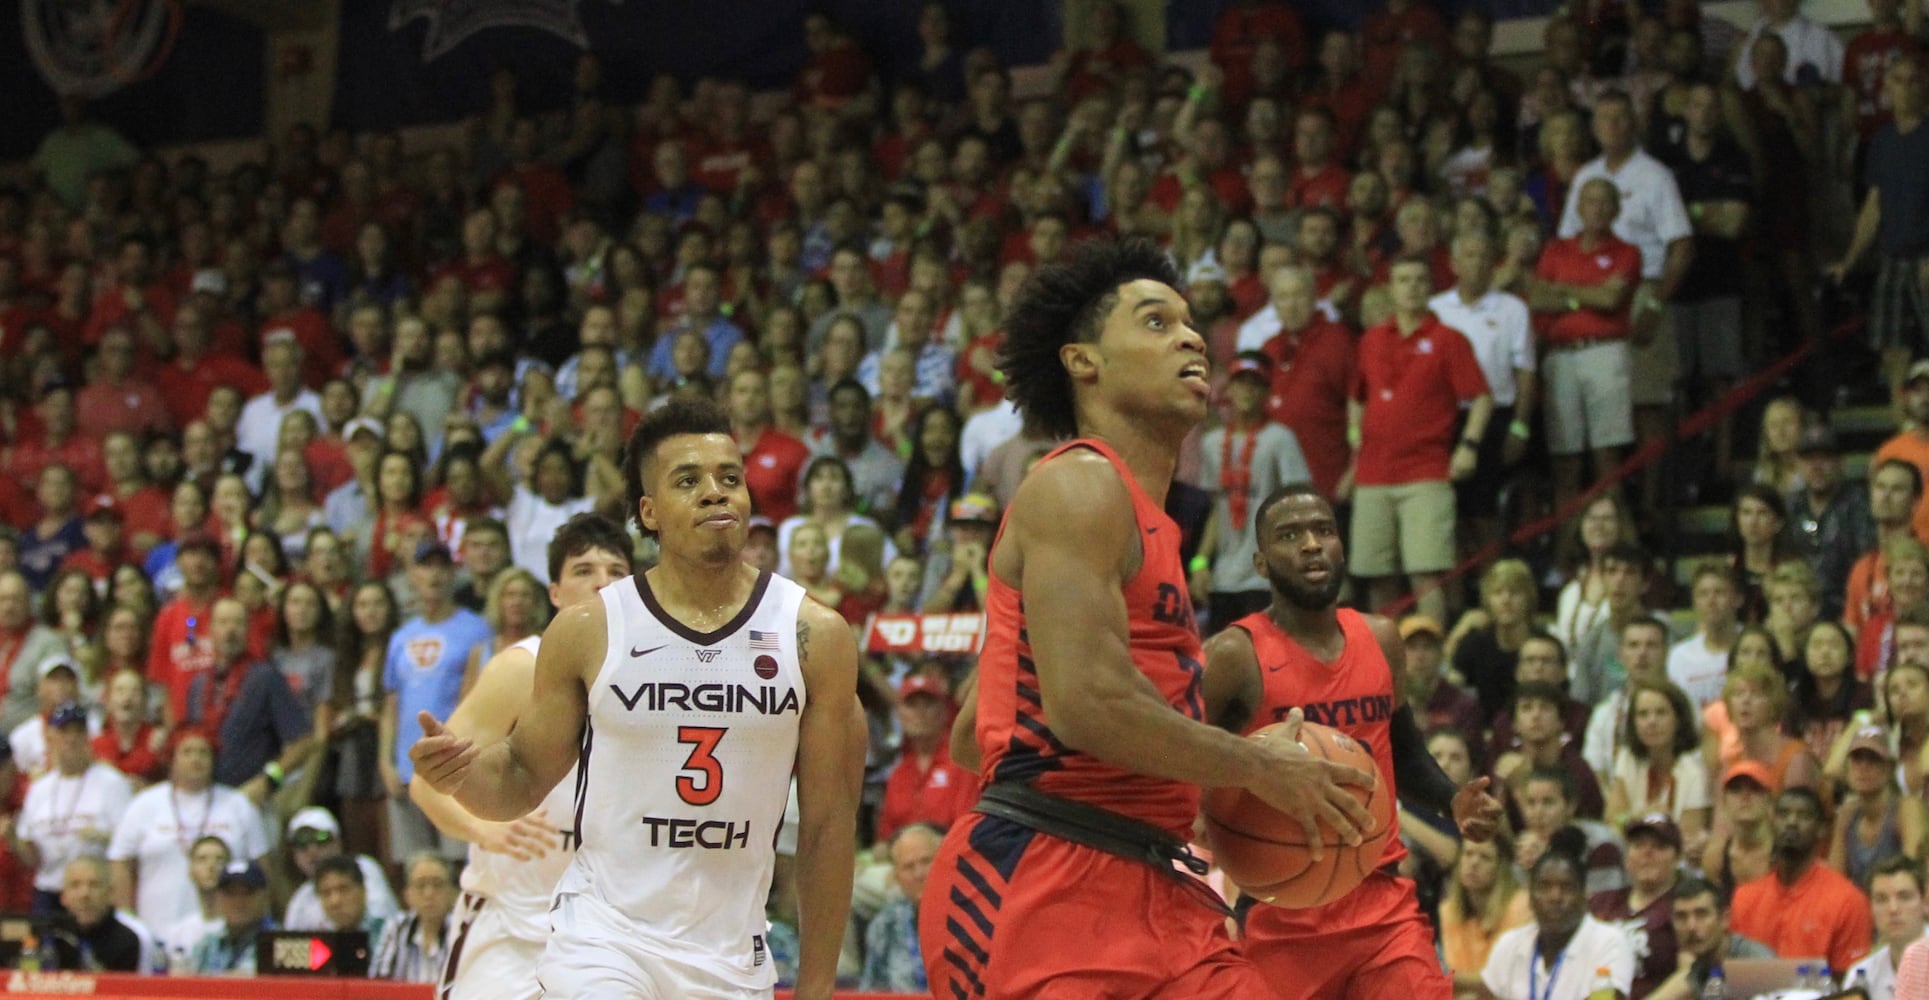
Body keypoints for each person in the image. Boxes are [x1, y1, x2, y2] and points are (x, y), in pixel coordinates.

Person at [915, 240, 1369, 997]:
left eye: (1191, 325)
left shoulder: (1147, 520)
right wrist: (1256, 766)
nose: (1191, 338)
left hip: (1158, 880)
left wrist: (1186, 784)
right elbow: (1086, 704)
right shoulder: (1079, 486)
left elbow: (975, 732)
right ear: (1083, 362)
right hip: (1043, 886)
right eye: (1155, 323)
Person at [411, 398, 863, 999]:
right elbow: (520, 776)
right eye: (688, 480)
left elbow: (828, 826)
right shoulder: (588, 630)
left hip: (730, 953)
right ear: (648, 512)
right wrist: (462, 775)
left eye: (730, 478)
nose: (714, 492)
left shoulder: (815, 636)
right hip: (604, 937)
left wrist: (818, 985)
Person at [1201, 483, 1503, 999]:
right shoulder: (1233, 656)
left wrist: (1450, 799)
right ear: (1260, 562)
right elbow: (1179, 750)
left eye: (1323, 530)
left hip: (1379, 899)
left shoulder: (1382, 638)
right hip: (1281, 906)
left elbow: (1402, 751)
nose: (1311, 544)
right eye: (1290, 535)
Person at [406, 512, 632, 1000]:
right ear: (554, 592)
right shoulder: (519, 667)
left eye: (616, 572)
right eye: (584, 570)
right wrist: (483, 827)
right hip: (511, 923)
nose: (602, 583)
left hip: (608, 931)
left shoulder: (656, 679)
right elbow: (424, 784)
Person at [1349, 255, 1494, 624]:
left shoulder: (1448, 340)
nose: (1411, 287)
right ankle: (1381, 662)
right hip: (1373, 474)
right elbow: (1357, 397)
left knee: (1426, 574)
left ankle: (1436, 662)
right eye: (1403, 280)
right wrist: (1355, 442)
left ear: (1430, 288)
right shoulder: (1371, 339)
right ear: (1390, 289)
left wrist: (1469, 446)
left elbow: (1481, 396)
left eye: (1418, 280)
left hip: (1426, 471)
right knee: (1377, 574)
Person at [381, 541, 492, 865]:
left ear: (453, 573)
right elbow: (391, 703)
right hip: (405, 767)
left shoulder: (477, 629)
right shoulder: (401, 636)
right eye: (425, 566)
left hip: (452, 765)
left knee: (459, 861)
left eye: (442, 566)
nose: (434, 574)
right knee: (414, 865)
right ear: (411, 575)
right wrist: (385, 762)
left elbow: (482, 698)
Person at [1830, 55, 1928, 401]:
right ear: (1886, 88)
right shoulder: (1882, 142)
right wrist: (1850, 259)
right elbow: (1873, 206)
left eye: (1914, 79)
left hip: (1925, 256)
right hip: (1892, 258)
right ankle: (1901, 434)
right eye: (1898, 80)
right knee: (1892, 351)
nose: (1906, 87)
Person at [106, 727, 267, 935]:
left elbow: (263, 871)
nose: (195, 759)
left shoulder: (238, 805)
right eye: (187, 752)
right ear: (172, 758)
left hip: (224, 937)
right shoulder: (144, 805)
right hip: (155, 932)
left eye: (203, 752)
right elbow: (120, 863)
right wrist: (128, 922)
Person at [1194, 353, 1310, 626]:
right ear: (1229, 389)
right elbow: (1217, 510)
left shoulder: (1280, 439)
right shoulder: (1212, 443)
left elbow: (1298, 506)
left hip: (1265, 576)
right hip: (1224, 577)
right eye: (1240, 383)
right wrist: (1200, 563)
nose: (1247, 391)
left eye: (1255, 384)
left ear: (1267, 391)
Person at [1731, 786, 1876, 978]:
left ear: (1822, 829)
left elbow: (1851, 982)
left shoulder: (1848, 900)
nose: (1792, 822)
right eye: (1783, 814)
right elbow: (1737, 976)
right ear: (1772, 821)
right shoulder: (1745, 898)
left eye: (1804, 816)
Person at [182, 597, 314, 805]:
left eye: (237, 623)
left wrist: (269, 782)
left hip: (251, 800)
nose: (230, 630)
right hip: (205, 801)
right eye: (223, 623)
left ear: (247, 630)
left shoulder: (266, 678)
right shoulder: (197, 685)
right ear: (210, 630)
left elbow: (304, 742)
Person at [16, 702, 133, 913]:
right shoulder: (40, 789)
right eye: (64, 732)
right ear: (51, 736)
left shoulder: (112, 783)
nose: (71, 739)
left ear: (88, 736)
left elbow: (128, 847)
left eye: (78, 732)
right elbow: (31, 857)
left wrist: (104, 837)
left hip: (94, 893)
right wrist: (14, 841)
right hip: (49, 890)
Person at [1481, 849, 1636, 1000]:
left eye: (1567, 887)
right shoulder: (1509, 944)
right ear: (1530, 897)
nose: (1555, 897)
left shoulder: (1610, 942)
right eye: (1544, 887)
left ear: (1585, 896)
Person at [1589, 814, 1686, 998]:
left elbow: (1689, 974)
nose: (1647, 854)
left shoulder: (1685, 906)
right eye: (1638, 845)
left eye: (1659, 846)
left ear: (1677, 857)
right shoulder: (1601, 902)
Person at [1645, 877, 1777, 1000]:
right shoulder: (1699, 973)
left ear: (1725, 919)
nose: (1691, 926)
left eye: (1701, 914)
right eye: (1681, 917)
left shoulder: (1756, 962)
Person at [1440, 831, 1534, 990]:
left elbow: (1503, 981)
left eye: (1485, 857)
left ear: (1501, 868)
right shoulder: (1449, 910)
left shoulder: (1521, 906)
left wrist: (1439, 978)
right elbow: (1457, 971)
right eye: (1468, 854)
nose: (1474, 863)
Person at [280, 806, 398, 931]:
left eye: (321, 838)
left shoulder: (363, 867)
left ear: (338, 842)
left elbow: (380, 917)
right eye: (302, 844)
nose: (312, 850)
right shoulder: (302, 897)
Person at [859, 822, 940, 993]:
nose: (919, 874)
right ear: (897, 877)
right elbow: (871, 992)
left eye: (926, 861)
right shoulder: (884, 926)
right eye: (909, 867)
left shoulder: (970, 918)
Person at [1844, 855, 1929, 1000]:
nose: (1893, 909)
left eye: (1904, 897)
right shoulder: (1860, 976)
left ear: (1926, 903)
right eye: (1881, 899)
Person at [369, 852, 457, 983]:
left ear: (453, 893)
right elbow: (379, 983)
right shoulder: (397, 927)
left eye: (437, 885)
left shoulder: (463, 930)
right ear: (407, 895)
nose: (429, 894)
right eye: (420, 885)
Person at [1667, 563, 1743, 711]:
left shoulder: (1755, 645)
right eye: (1703, 594)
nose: (1711, 601)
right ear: (1694, 602)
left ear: (1738, 599)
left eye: (1719, 592)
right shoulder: (1679, 657)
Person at [50, 856, 146, 972]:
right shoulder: (51, 937)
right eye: (75, 885)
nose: (84, 894)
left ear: (110, 893)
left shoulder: (129, 939)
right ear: (63, 896)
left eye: (94, 885)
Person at [190, 860, 275, 976]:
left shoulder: (281, 943)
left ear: (264, 896)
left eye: (247, 892)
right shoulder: (207, 946)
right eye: (230, 893)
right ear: (218, 898)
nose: (238, 901)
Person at [159, 835, 229, 974]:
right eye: (202, 859)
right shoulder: (176, 933)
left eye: (219, 859)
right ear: (190, 870)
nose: (211, 866)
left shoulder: (239, 929)